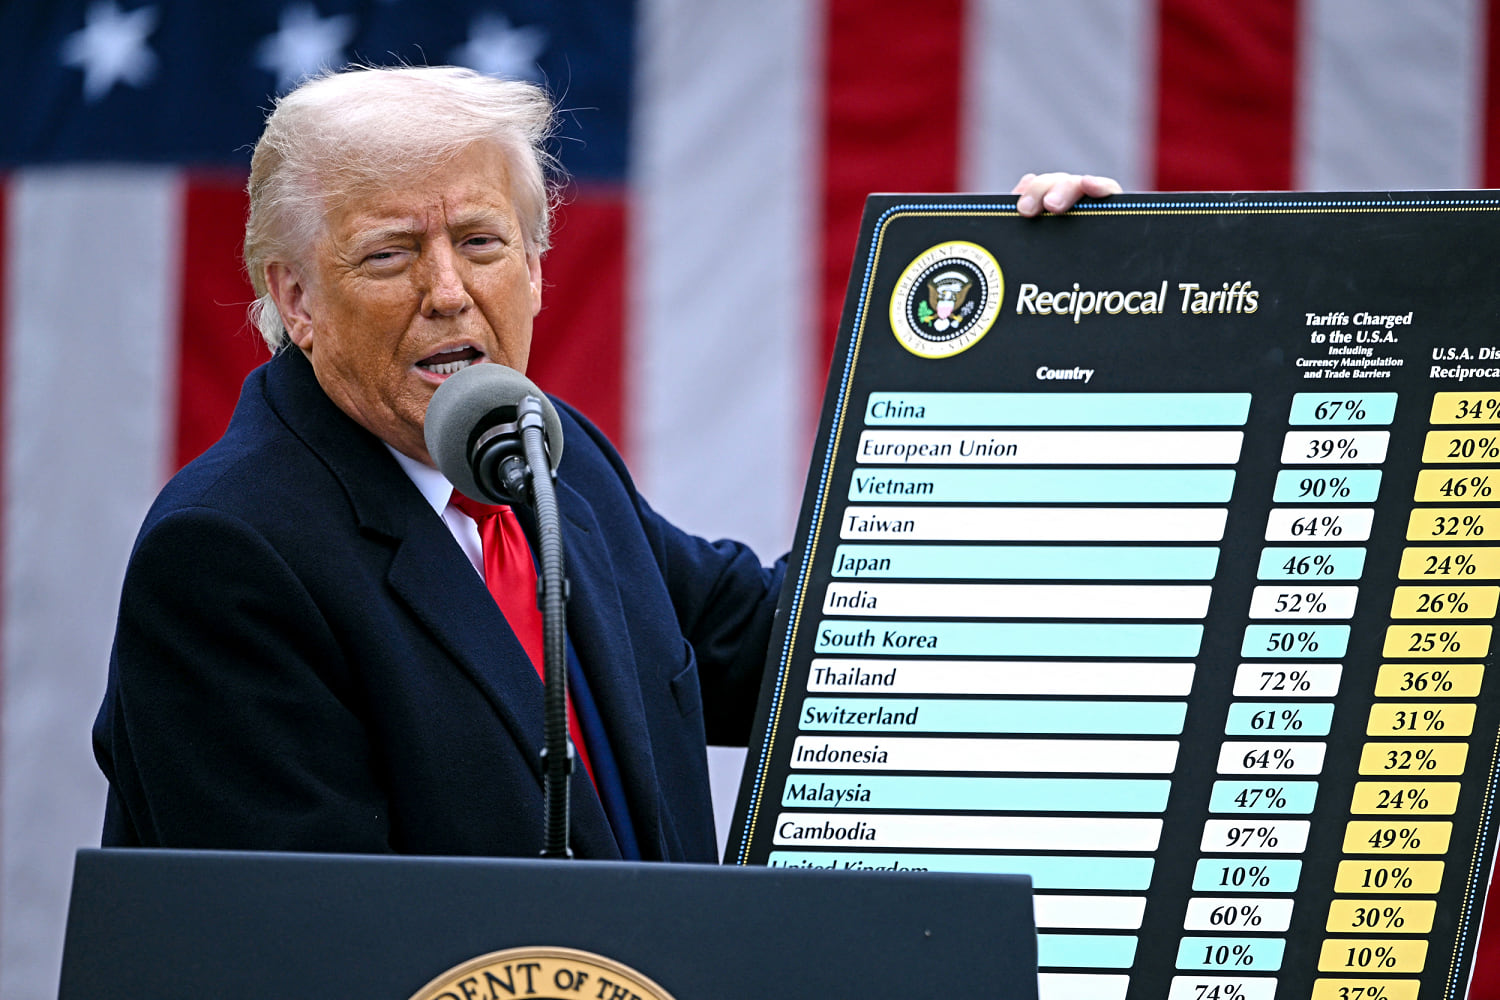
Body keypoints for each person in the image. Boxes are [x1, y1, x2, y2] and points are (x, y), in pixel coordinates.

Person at [93, 64, 1112, 861]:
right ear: (296, 298)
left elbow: (801, 647)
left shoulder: (549, 454)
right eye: (390, 254)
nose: (447, 291)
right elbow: (311, 945)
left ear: (537, 268)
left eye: (482, 242)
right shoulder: (227, 554)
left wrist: (1047, 337)